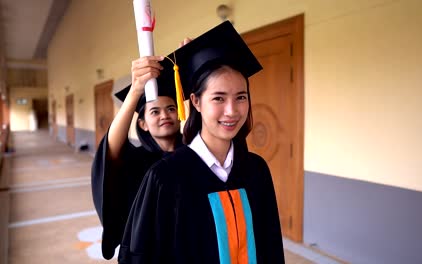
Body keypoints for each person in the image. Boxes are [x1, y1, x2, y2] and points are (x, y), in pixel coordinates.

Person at [118, 21, 285, 264]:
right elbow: (140, 257)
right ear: (195, 101)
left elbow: (271, 248)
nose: (232, 111)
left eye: (241, 97)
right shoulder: (165, 177)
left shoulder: (256, 170)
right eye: (218, 98)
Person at [91, 51, 186, 259]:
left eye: (171, 108)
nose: (164, 115)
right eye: (154, 112)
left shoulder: (193, 156)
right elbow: (111, 148)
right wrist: (135, 90)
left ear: (179, 114)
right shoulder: (136, 161)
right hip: (149, 253)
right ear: (142, 123)